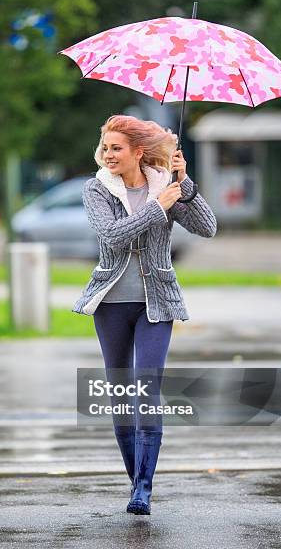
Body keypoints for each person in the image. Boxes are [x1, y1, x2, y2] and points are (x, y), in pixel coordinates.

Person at [72, 114, 217, 515]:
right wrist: (158, 207)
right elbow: (113, 237)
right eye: (105, 147)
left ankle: (143, 490)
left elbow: (208, 228)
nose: (107, 154)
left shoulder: (167, 185)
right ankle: (135, 477)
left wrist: (183, 184)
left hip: (157, 303)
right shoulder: (96, 189)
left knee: (146, 391)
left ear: (138, 151)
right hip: (111, 304)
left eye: (116, 148)